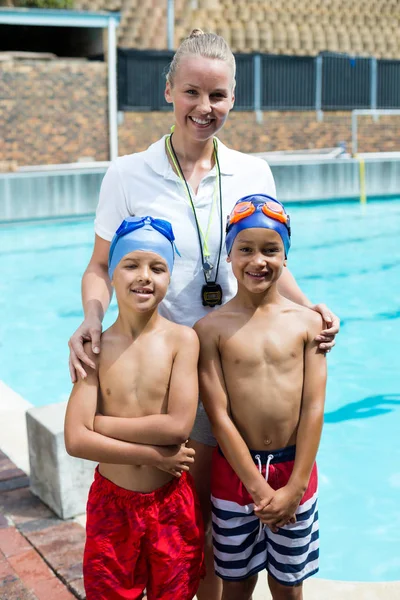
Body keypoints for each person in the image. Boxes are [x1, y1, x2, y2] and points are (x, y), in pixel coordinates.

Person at [68, 30, 339, 600]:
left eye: (217, 95)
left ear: (233, 99)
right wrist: (93, 317)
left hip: (237, 367)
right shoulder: (128, 175)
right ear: (169, 90)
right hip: (171, 375)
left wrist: (310, 307)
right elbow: (99, 267)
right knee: (194, 532)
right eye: (192, 92)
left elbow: (266, 257)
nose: (204, 107)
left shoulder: (252, 173)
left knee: (223, 534)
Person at [194, 194, 327, 600]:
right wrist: (257, 488)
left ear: (286, 257)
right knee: (236, 583)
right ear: (229, 256)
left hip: (295, 473)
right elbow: (218, 417)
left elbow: (313, 408)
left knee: (288, 586)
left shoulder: (308, 324)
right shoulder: (210, 329)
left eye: (271, 250)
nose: (258, 260)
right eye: (245, 249)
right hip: (235, 476)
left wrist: (295, 487)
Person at [64, 216, 204, 600]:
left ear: (169, 277)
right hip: (113, 506)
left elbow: (177, 427)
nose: (145, 276)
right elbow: (76, 440)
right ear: (111, 274)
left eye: (158, 267)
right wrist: (151, 455)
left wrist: (100, 423)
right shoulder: (94, 346)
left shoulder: (183, 341)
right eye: (131, 264)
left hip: (170, 503)